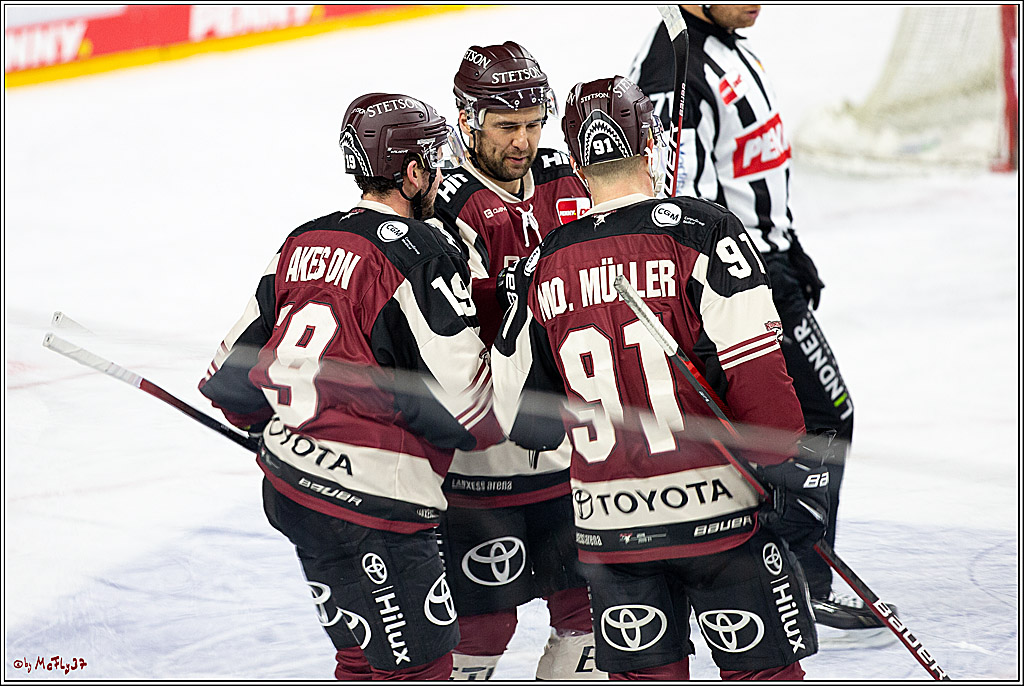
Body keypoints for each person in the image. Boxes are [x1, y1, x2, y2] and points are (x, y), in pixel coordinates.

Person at [491, 75, 831, 680]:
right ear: (650, 141)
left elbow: (526, 421)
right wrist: (786, 476)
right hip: (720, 514)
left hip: (608, 528)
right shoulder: (705, 231)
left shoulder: (545, 261)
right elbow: (759, 375)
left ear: (572, 159)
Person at [198, 92, 505, 681]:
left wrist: (292, 437)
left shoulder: (303, 238)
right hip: (375, 507)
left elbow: (229, 381)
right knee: (420, 667)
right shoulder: (424, 253)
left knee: (360, 655)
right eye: (432, 161)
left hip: (290, 488)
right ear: (412, 172)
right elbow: (473, 413)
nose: (440, 174)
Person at [628, 5, 885, 640]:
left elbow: (747, 169)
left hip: (767, 259)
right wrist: (751, 272)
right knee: (823, 414)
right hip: (742, 276)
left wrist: (788, 244)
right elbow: (678, 200)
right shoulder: (676, 67)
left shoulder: (725, 45)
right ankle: (799, 578)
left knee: (791, 421)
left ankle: (785, 569)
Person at [429, 41, 602, 680]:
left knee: (585, 612)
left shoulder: (569, 178)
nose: (524, 141)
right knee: (483, 625)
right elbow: (453, 338)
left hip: (573, 448)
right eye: (507, 127)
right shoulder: (443, 206)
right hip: (484, 456)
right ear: (467, 120)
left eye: (533, 124)